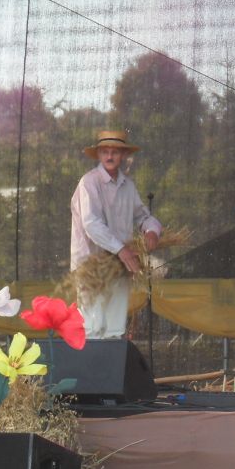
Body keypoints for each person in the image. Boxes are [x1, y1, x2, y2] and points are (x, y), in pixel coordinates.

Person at [71, 130, 161, 339]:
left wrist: (152, 231)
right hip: (91, 266)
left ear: (124, 155)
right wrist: (122, 249)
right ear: (98, 155)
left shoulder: (127, 186)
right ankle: (91, 362)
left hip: (120, 266)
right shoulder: (89, 182)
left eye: (115, 152)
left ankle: (110, 361)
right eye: (105, 152)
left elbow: (142, 216)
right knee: (92, 327)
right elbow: (91, 224)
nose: (110, 156)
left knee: (115, 328)